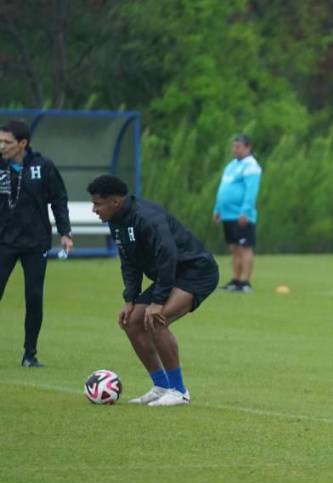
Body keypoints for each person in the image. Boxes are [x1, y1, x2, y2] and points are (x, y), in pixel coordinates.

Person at [88, 174, 220, 407]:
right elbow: (128, 261)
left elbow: (168, 256)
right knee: (131, 322)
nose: (94, 209)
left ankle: (179, 391)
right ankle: (161, 386)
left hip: (196, 271)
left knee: (156, 320)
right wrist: (130, 299)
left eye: (97, 204)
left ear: (115, 202)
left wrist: (157, 302)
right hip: (170, 275)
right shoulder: (117, 221)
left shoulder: (146, 217)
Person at [0, 120, 73, 367]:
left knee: (33, 297)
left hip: (36, 243)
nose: (2, 146)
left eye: (7, 142)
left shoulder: (43, 167)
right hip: (4, 242)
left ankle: (29, 354)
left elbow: (59, 199)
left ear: (23, 144)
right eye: (0, 141)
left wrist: (65, 232)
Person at [213, 134, 261, 293]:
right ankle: (235, 280)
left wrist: (245, 211)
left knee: (245, 247)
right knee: (234, 248)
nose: (235, 150)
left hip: (241, 214)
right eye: (234, 146)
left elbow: (251, 191)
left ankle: (245, 282)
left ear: (248, 147)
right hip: (227, 214)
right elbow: (223, 188)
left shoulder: (251, 166)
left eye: (238, 146)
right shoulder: (231, 165)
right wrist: (217, 209)